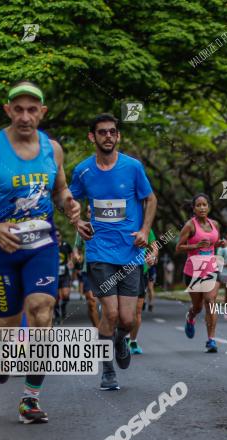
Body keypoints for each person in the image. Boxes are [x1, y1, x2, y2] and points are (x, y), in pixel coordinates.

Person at [0, 80, 81, 423]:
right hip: (1, 246)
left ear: (42, 112)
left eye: (32, 109)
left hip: (42, 242)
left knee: (42, 309)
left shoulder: (52, 149)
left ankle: (31, 398)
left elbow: (60, 189)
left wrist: (69, 204)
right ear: (8, 110)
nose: (25, 116)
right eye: (18, 109)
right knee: (8, 321)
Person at [71, 113, 157, 392]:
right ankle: (107, 370)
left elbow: (150, 198)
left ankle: (121, 340)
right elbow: (69, 200)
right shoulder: (83, 171)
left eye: (112, 132)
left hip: (131, 252)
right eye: (102, 132)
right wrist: (77, 221)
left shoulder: (133, 167)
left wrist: (145, 230)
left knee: (128, 319)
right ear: (92, 137)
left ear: (118, 136)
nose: (108, 136)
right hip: (99, 251)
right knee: (109, 312)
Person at [175, 194, 224, 352]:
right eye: (199, 205)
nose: (202, 208)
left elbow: (212, 243)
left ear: (209, 207)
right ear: (194, 208)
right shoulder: (190, 225)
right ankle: (190, 317)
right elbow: (178, 247)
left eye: (205, 205)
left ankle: (211, 340)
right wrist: (195, 246)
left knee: (210, 301)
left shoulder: (215, 224)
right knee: (197, 307)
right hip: (193, 271)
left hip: (211, 268)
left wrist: (219, 243)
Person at [129, 229, 158, 354]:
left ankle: (132, 340)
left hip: (140, 270)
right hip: (119, 270)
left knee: (137, 310)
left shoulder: (145, 227)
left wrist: (153, 256)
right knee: (120, 310)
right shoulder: (117, 220)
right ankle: (123, 336)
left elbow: (154, 246)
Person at [72, 233, 100, 328]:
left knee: (110, 306)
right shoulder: (84, 227)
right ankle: (98, 332)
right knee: (91, 302)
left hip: (110, 267)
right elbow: (77, 248)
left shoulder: (110, 223)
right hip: (88, 270)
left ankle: (108, 330)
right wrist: (76, 255)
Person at [55, 236, 73, 323]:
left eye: (59, 235)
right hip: (54, 275)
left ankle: (63, 306)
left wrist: (70, 261)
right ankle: (57, 315)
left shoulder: (66, 245)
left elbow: (71, 255)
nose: (57, 237)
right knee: (55, 297)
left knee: (66, 295)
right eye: (56, 235)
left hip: (65, 274)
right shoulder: (52, 245)